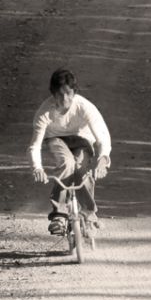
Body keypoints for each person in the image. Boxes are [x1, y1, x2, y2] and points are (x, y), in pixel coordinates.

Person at [29, 68, 111, 234]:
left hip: (82, 138)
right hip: (56, 139)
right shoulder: (45, 112)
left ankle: (89, 214)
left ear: (74, 92)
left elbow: (102, 136)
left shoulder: (84, 107)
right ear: (53, 93)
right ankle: (59, 215)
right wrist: (37, 167)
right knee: (67, 164)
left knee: (81, 169)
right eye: (60, 94)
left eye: (68, 93)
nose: (64, 99)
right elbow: (35, 145)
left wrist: (103, 159)